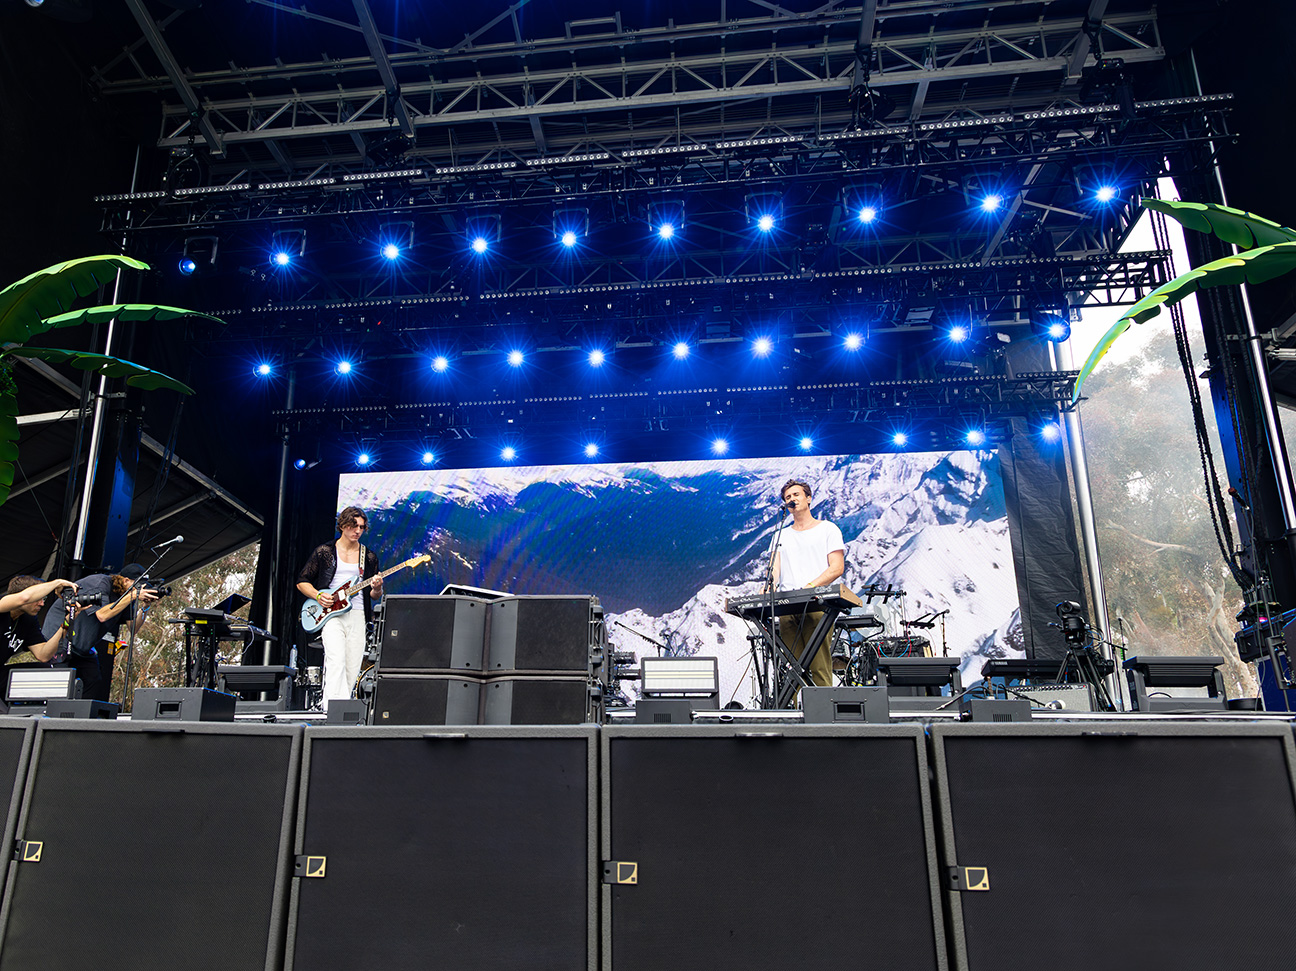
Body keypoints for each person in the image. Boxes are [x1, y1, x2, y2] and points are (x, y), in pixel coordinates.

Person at [296, 506, 383, 709]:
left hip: (358, 613)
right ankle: (331, 709)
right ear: (343, 525)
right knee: (336, 659)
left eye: (361, 527)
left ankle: (342, 709)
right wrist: (318, 595)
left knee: (353, 665)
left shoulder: (369, 557)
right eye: (354, 526)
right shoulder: (325, 552)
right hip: (331, 614)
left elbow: (374, 595)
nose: (358, 531)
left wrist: (377, 588)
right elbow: (302, 581)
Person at [769, 478, 846, 690]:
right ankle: (795, 715)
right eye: (787, 497)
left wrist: (808, 587)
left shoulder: (828, 529)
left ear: (808, 498)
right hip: (787, 607)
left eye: (796, 495)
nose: (791, 499)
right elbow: (775, 570)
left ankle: (823, 715)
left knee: (819, 665)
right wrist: (768, 588)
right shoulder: (780, 535)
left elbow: (836, 567)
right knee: (791, 667)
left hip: (817, 603)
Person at [41, 565, 159, 701]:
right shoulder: (100, 583)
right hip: (59, 639)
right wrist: (132, 596)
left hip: (82, 646)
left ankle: (79, 718)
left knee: (92, 678)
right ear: (125, 580)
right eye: (137, 586)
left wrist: (146, 607)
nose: (139, 591)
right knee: (60, 684)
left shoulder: (127, 596)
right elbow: (102, 615)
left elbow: (134, 628)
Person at [1, 575, 80, 665]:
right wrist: (58, 582)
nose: (42, 604)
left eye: (43, 599)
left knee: (45, 667)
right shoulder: (1, 604)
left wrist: (67, 622)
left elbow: (43, 655)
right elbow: (24, 598)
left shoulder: (28, 619)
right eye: (38, 599)